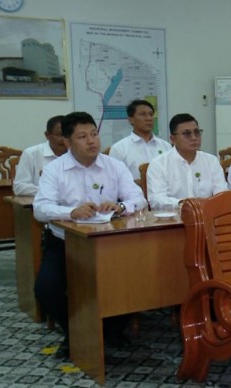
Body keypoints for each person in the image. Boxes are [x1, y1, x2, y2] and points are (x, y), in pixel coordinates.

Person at [33, 112, 146, 359]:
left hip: (109, 242)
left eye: (94, 134)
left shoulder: (114, 165)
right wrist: (70, 212)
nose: (91, 141)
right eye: (82, 137)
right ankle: (75, 332)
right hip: (65, 243)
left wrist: (121, 206)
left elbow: (139, 199)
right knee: (46, 289)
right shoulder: (54, 170)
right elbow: (40, 209)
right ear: (67, 142)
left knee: (133, 281)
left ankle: (111, 330)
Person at [146, 113, 228, 210]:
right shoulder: (159, 164)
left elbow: (222, 194)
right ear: (173, 139)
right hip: (173, 217)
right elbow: (156, 200)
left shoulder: (211, 161)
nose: (194, 138)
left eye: (197, 132)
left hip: (206, 214)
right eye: (186, 134)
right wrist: (184, 204)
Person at [109, 100, 172, 180]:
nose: (149, 118)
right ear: (131, 120)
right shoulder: (119, 149)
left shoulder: (166, 146)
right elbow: (113, 180)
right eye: (143, 114)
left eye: (151, 114)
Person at [12, 115, 68, 196]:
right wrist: (50, 192)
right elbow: (19, 187)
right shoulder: (31, 154)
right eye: (60, 135)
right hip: (41, 201)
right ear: (47, 135)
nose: (64, 139)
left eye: (67, 135)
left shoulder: (77, 154)